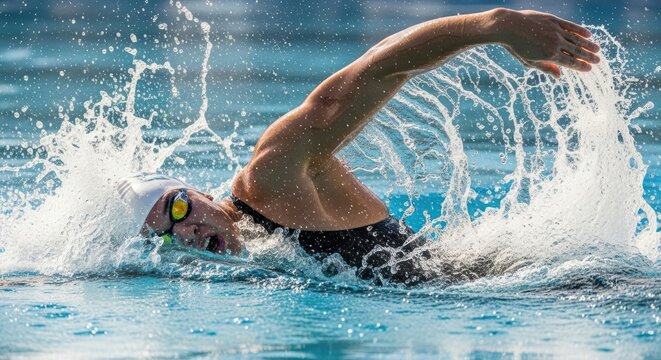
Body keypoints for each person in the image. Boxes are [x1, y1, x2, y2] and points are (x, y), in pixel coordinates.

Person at [118, 8, 600, 284]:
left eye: (177, 208)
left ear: (196, 190)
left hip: (543, 283)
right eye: (161, 235)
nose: (185, 232)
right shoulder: (242, 264)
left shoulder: (272, 178)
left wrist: (493, 26)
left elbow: (372, 72)